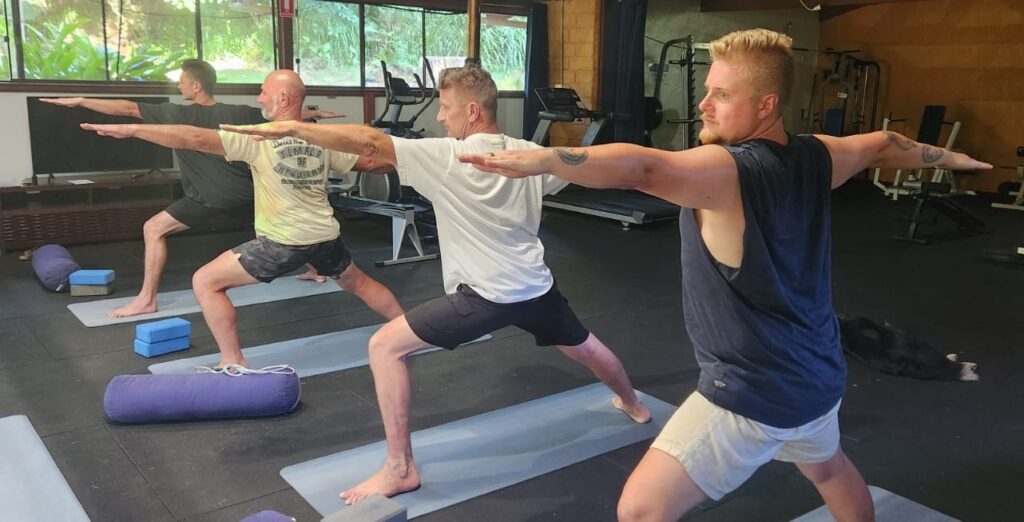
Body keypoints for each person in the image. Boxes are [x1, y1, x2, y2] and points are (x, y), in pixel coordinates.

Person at [459, 29, 991, 522]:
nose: (703, 103)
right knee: (828, 469)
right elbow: (882, 144)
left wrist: (548, 158)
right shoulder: (821, 155)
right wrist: (952, 158)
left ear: (765, 105)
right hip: (818, 373)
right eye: (707, 89)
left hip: (753, 393)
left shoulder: (730, 171)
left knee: (640, 510)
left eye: (721, 95)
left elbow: (647, 168)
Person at [220, 65, 651, 504]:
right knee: (586, 347)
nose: (441, 118)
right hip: (536, 290)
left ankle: (400, 469)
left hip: (484, 299)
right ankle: (634, 403)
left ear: (470, 110)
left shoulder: (448, 156)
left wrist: (293, 129)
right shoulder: (530, 153)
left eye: (445, 109)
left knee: (384, 347)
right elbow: (598, 165)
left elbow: (371, 142)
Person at [80, 70, 404, 369]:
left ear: (282, 99)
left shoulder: (257, 137)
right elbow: (374, 164)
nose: (260, 99)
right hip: (325, 236)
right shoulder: (322, 138)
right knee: (358, 283)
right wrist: (402, 159)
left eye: (264, 93)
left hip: (283, 242)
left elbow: (192, 138)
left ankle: (232, 361)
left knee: (206, 282)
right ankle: (408, 330)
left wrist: (135, 129)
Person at [40, 60, 334, 317]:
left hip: (211, 197)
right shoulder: (239, 112)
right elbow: (286, 117)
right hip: (249, 195)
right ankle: (316, 269)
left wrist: (80, 100)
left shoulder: (175, 114)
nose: (178, 86)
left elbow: (127, 109)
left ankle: (146, 300)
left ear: (196, 86)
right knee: (281, 230)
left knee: (153, 228)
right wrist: (316, 114)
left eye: (181, 82)